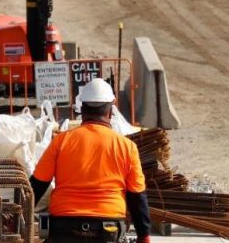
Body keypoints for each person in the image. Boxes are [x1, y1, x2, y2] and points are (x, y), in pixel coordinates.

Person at [31, 78, 151, 243]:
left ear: (82, 108)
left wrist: (18, 218)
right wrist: (144, 235)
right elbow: (137, 196)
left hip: (64, 228)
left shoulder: (61, 141)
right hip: (109, 229)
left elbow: (36, 185)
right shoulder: (127, 147)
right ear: (111, 111)